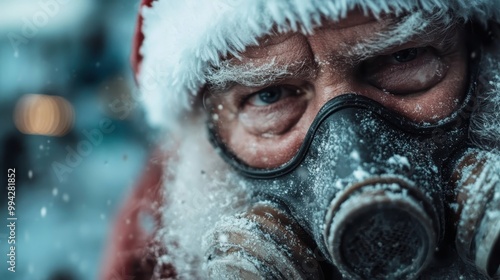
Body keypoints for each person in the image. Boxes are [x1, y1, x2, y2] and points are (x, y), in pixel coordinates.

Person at [102, 0, 500, 279]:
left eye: (403, 58)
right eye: (269, 95)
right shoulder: (147, 259)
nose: (353, 152)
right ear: (209, 142)